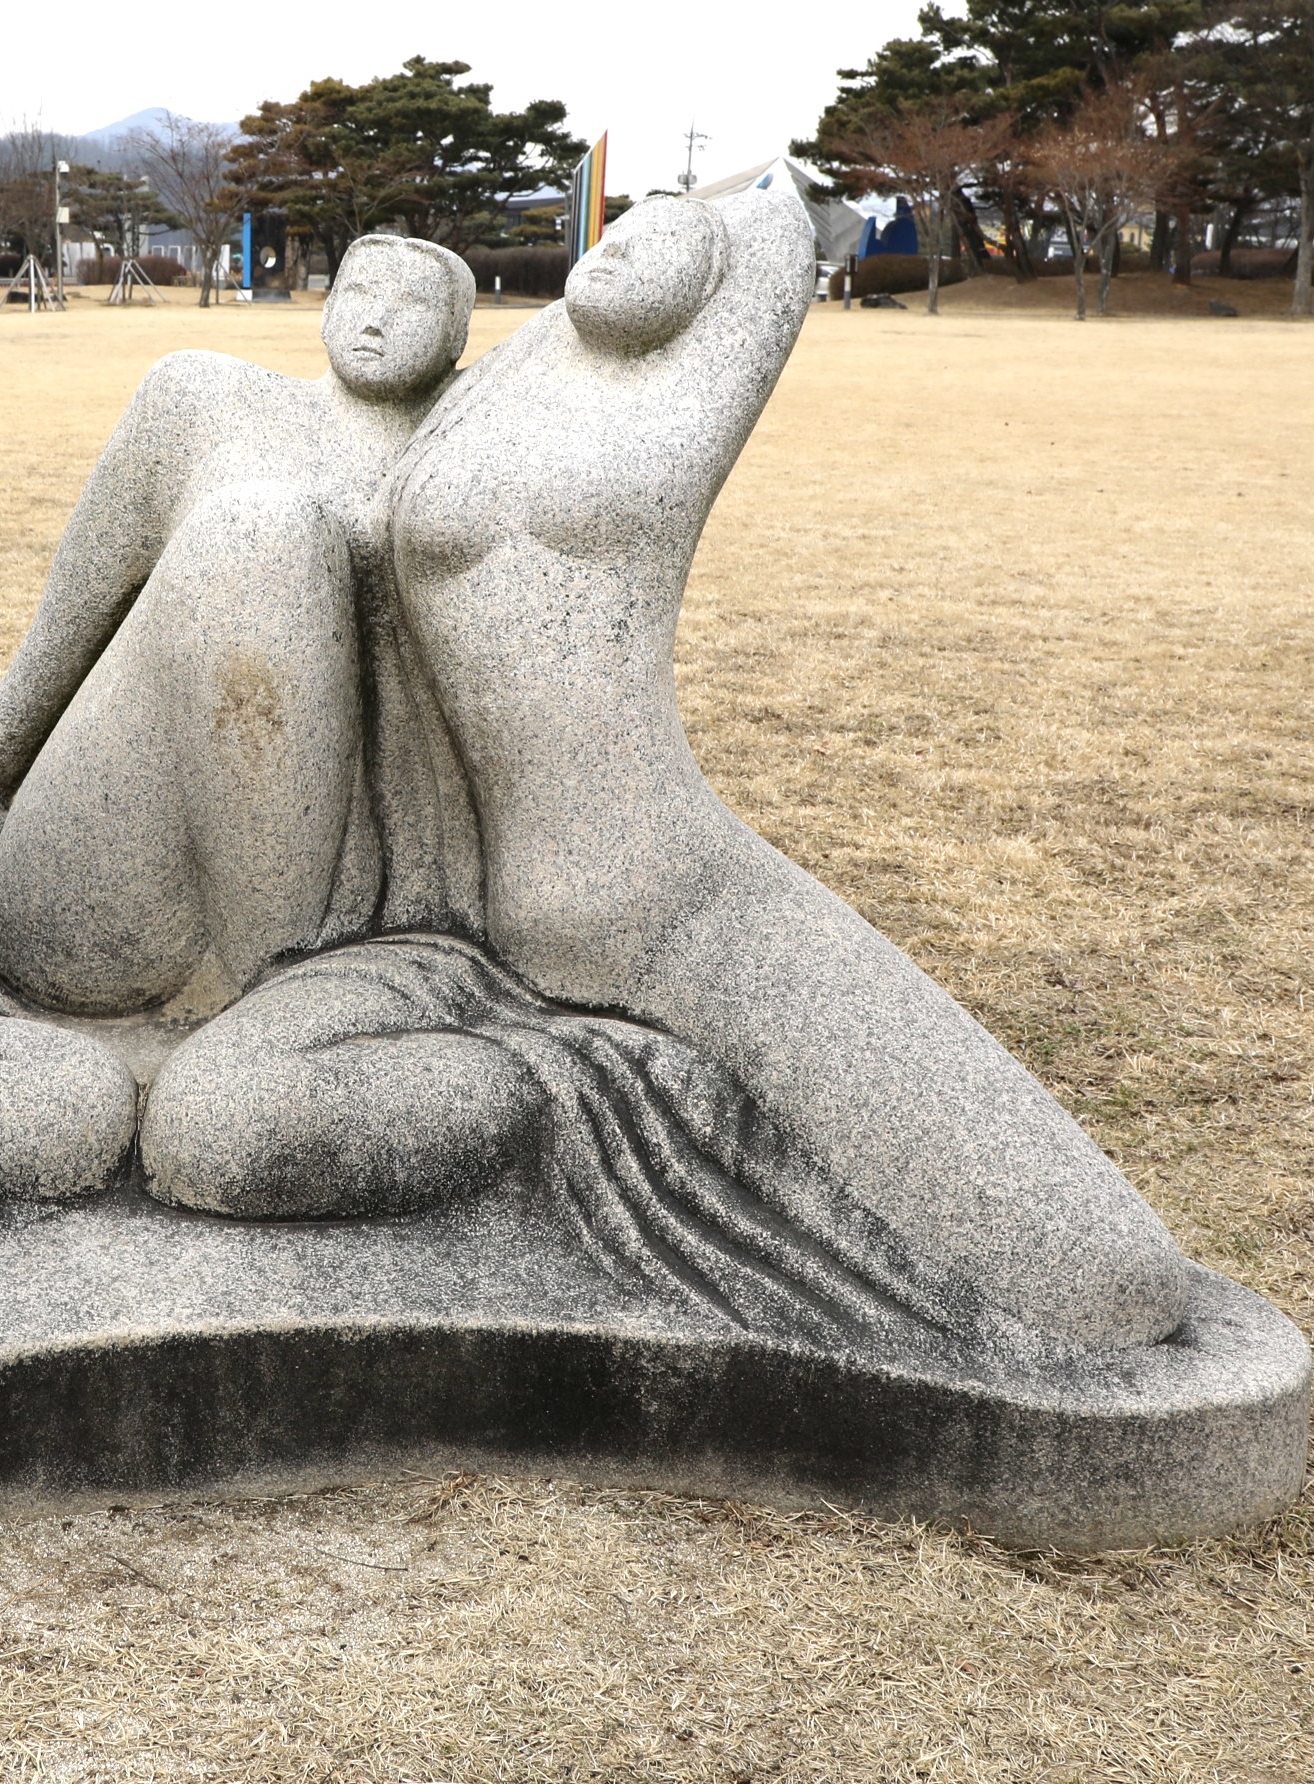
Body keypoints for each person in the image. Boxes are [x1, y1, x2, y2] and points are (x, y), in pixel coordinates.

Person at [371, 184, 1200, 1350]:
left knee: (1107, 1278)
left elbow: (774, 228)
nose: (617, 252)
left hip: (666, 878)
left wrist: (703, 212)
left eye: (659, 241)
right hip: (516, 886)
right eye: (610, 234)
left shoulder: (680, 406)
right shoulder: (490, 401)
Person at [0, 234, 484, 1020]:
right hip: (123, 851)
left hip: (358, 876)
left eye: (413, 306)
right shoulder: (204, 399)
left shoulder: (465, 464)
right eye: (361, 292)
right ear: (326, 309)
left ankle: (273, 992)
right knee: (262, 530)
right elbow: (84, 596)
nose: (376, 320)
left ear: (457, 341)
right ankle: (273, 985)